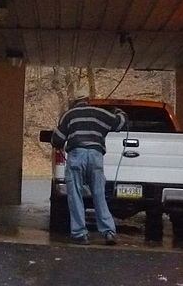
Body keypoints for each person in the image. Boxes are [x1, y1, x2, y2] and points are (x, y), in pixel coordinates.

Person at [52, 97, 128, 246]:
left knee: (75, 195)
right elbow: (121, 123)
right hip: (95, 155)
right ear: (88, 101)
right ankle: (109, 232)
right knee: (99, 195)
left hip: (76, 155)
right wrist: (118, 110)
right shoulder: (100, 113)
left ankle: (80, 234)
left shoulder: (70, 114)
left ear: (75, 102)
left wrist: (57, 143)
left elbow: (58, 139)